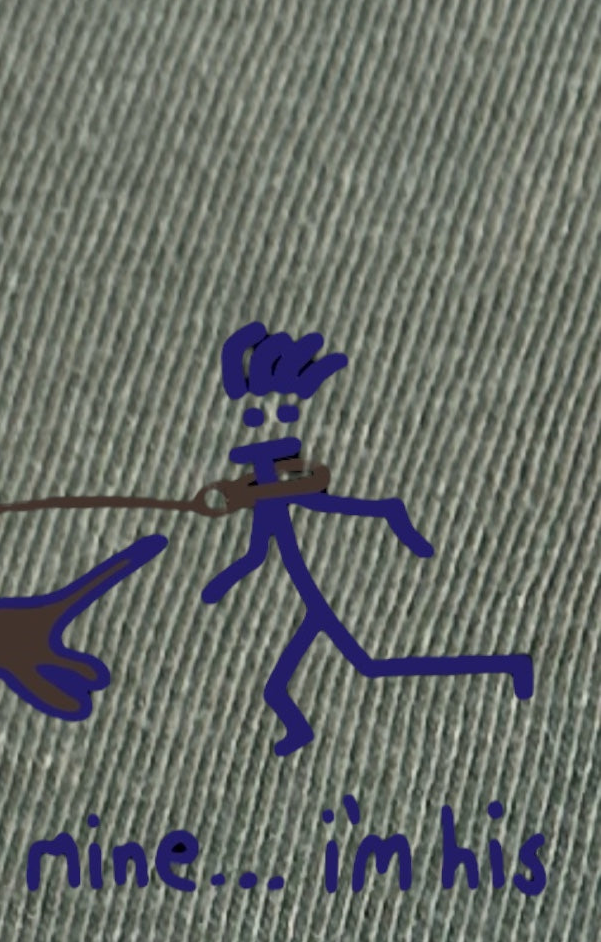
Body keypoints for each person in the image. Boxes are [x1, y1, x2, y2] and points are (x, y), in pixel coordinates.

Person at [202, 323, 533, 756]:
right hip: (309, 595)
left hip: (321, 589)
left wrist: (400, 527)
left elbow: (348, 507)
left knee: (369, 667)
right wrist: (226, 578)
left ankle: (507, 665)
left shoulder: (289, 491)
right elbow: (257, 551)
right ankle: (298, 731)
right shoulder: (270, 497)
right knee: (280, 687)